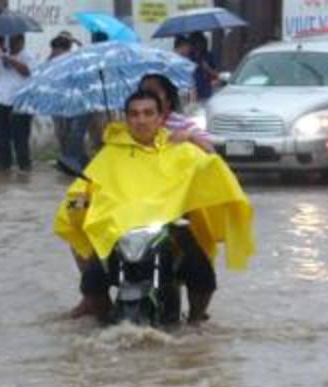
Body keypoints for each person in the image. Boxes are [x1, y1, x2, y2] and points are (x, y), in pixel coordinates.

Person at [55, 90, 254, 324]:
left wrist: (200, 144)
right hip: (118, 230)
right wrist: (78, 202)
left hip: (168, 228)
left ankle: (196, 321)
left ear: (161, 118)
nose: (141, 120)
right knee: (92, 281)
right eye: (134, 114)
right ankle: (103, 321)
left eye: (148, 113)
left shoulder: (180, 149)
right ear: (126, 119)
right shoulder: (109, 154)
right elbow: (84, 186)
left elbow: (213, 171)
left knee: (202, 275)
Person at [0, 33, 37, 171]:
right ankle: (4, 165)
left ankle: (24, 165)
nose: (12, 44)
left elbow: (27, 72)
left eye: (15, 40)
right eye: (10, 40)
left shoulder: (28, 55)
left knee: (20, 137)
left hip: (20, 101)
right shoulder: (0, 55)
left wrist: (7, 58)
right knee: (1, 136)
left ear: (22, 41)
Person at [139, 73, 212, 153]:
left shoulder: (182, 124)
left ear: (168, 100)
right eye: (143, 93)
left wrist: (190, 137)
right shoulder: (134, 123)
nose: (148, 97)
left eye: (154, 93)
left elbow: (210, 150)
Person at [47, 33, 86, 167]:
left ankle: (76, 162)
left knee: (75, 135)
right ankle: (67, 160)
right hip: (59, 103)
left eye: (56, 49)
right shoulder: (52, 61)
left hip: (78, 103)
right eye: (53, 50)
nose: (54, 52)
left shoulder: (76, 60)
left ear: (65, 49)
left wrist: (77, 42)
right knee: (62, 133)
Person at [188, 31, 221, 103]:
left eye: (201, 43)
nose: (199, 46)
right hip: (191, 94)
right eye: (196, 44)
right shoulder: (188, 57)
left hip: (206, 91)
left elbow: (217, 74)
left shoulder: (208, 56)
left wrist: (207, 68)